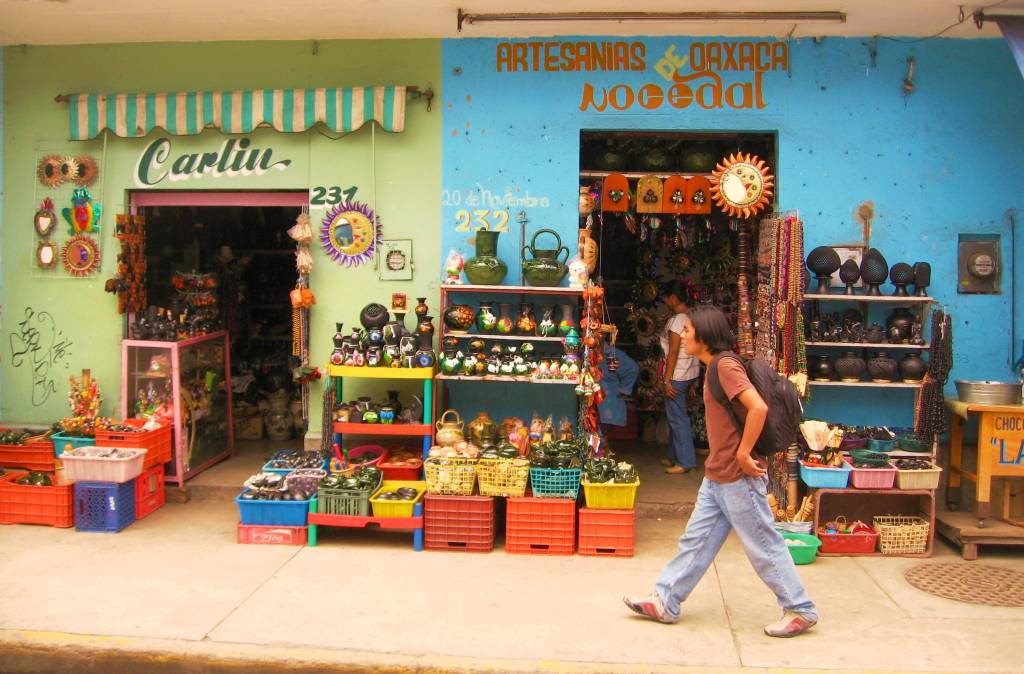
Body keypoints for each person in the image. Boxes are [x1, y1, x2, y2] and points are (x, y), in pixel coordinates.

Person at [624, 306, 818, 638]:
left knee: (763, 545)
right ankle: (667, 600)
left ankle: (800, 608)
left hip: (738, 478)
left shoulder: (724, 366)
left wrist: (743, 453)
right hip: (718, 476)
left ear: (704, 335)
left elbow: (758, 407)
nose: (682, 336)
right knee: (695, 542)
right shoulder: (715, 366)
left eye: (687, 331)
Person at [659, 281, 700, 474]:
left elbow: (673, 352)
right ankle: (673, 455)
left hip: (678, 374)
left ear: (673, 298)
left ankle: (685, 462)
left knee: (677, 418)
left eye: (666, 298)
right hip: (690, 373)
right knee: (677, 415)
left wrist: (667, 380)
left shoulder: (677, 321)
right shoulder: (693, 316)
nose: (665, 302)